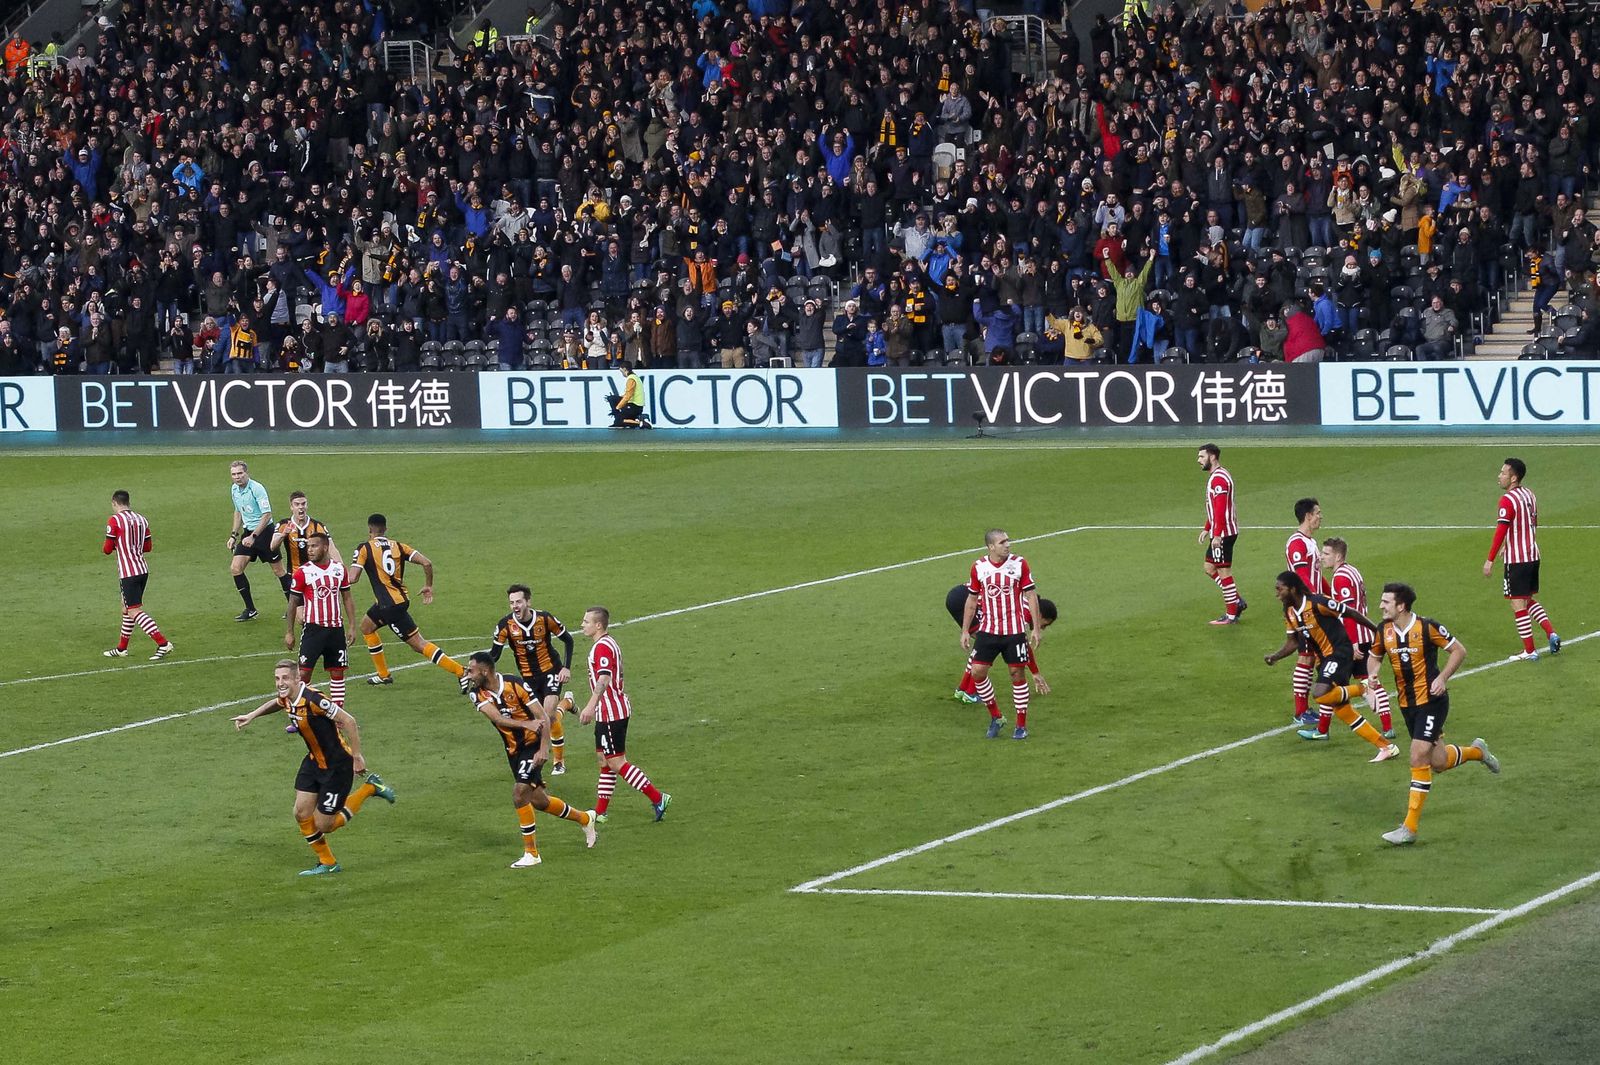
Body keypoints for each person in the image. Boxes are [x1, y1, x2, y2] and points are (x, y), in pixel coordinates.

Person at [231, 660, 397, 876]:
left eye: (285, 678)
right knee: (301, 813)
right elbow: (278, 702)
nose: (280, 683)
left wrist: (357, 756)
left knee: (325, 824)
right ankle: (328, 862)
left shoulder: (314, 700)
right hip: (313, 762)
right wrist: (252, 715)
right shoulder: (287, 698)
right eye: (277, 678)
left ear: (297, 678)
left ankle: (370, 789)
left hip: (337, 766)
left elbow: (349, 721)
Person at [1366, 583, 1499, 845]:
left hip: (1432, 701)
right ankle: (1477, 751)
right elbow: (1374, 656)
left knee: (1417, 755)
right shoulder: (1384, 631)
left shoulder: (1427, 627)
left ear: (1401, 606)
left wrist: (1443, 677)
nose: (1380, 605)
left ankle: (1409, 828)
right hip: (1407, 704)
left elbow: (1459, 650)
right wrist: (1372, 673)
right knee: (1438, 762)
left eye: (1386, 602)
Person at [461, 652, 598, 867]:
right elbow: (497, 718)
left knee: (519, 794)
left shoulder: (516, 685)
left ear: (485, 671)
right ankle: (585, 818)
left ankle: (532, 854)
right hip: (513, 750)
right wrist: (526, 724)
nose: (468, 674)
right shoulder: (476, 694)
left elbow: (543, 716)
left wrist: (544, 749)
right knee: (539, 801)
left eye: (471, 670)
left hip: (533, 744)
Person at [1264, 571, 1398, 762]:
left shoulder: (1318, 602)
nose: (1277, 593)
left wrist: (1378, 631)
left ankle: (1364, 688)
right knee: (1343, 711)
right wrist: (1275, 656)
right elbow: (1293, 642)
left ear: (1292, 588)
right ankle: (1386, 746)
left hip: (1339, 653)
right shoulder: (1290, 612)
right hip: (1324, 660)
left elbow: (1351, 613)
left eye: (1280, 589)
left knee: (1320, 694)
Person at [577, 606, 670, 822]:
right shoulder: (607, 643)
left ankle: (658, 798)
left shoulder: (602, 647)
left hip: (612, 713)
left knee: (617, 762)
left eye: (586, 621)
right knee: (604, 760)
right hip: (607, 712)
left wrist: (590, 706)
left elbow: (604, 678)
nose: (582, 625)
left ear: (598, 625)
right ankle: (600, 812)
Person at [352, 514, 465, 685]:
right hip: (396, 601)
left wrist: (332, 577)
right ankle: (383, 675)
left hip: (389, 607)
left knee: (418, 644)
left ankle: (461, 672)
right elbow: (427, 563)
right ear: (385, 529)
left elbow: (353, 578)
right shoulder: (398, 546)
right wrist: (428, 585)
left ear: (369, 529)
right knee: (366, 626)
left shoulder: (364, 548)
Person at [1305, 538, 1395, 741]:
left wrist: (1352, 642)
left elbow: (1348, 612)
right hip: (1364, 636)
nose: (1321, 556)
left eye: (1326, 553)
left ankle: (1322, 730)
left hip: (1354, 640)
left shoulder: (1341, 577)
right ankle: (1387, 726)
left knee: (1330, 683)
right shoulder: (1352, 571)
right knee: (1365, 681)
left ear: (1337, 556)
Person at [960, 529, 1045, 740]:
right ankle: (996, 716)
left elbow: (1031, 595)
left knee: (1017, 674)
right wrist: (964, 630)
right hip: (988, 631)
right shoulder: (979, 567)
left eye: (1008, 541)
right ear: (991, 547)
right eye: (1002, 542)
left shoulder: (1019, 564)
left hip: (1014, 631)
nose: (1008, 545)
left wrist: (1035, 627)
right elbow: (972, 600)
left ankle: (1021, 725)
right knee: (978, 672)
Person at [490, 584, 576, 776]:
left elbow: (568, 640)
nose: (515, 606)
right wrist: (477, 669)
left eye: (518, 601)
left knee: (546, 715)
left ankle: (558, 761)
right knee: (543, 720)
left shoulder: (545, 619)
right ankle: (567, 704)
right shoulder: (505, 625)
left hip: (551, 672)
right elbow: (494, 656)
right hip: (527, 679)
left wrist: (566, 667)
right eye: (512, 602)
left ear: (528, 601)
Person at [1482, 457, 1560, 661]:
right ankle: (1551, 633)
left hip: (1517, 560)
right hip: (1533, 555)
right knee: (1527, 599)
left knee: (1518, 604)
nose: (1499, 476)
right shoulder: (1529, 494)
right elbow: (1531, 524)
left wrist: (1489, 560)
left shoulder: (1507, 500)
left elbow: (1501, 530)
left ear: (1513, 477)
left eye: (1503, 473)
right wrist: (1510, 544)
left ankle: (1529, 650)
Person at [285, 531, 358, 715]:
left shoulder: (340, 570)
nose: (309, 550)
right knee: (303, 674)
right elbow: (293, 603)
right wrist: (290, 632)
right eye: (308, 547)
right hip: (313, 630)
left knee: (337, 673)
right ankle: (300, 713)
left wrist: (351, 626)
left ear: (325, 547)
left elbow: (347, 598)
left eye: (314, 546)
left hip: (335, 630)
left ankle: (338, 714)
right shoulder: (303, 572)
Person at [945, 585, 1055, 703]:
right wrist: (1035, 673)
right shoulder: (1026, 613)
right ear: (1041, 615)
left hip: (959, 594)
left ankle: (962, 689)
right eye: (1045, 624)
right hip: (965, 598)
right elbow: (1023, 646)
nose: (1042, 628)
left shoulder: (1025, 601)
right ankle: (970, 693)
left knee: (983, 645)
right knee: (986, 645)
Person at [101, 490, 174, 661]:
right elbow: (148, 547)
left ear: (114, 503)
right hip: (142, 570)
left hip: (128, 573)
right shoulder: (142, 519)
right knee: (126, 608)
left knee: (134, 610)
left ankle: (163, 643)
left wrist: (119, 545)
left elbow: (106, 549)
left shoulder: (115, 520)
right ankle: (121, 648)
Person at [227, 460, 288, 622]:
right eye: (234, 474)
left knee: (278, 571)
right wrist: (234, 534)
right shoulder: (234, 489)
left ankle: (294, 606)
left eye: (240, 473)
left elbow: (266, 514)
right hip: (248, 534)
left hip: (265, 533)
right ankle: (251, 609)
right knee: (235, 568)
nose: (237, 477)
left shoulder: (257, 489)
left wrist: (253, 536)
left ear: (247, 473)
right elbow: (238, 512)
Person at [1284, 498, 1325, 725]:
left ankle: (1317, 703)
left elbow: (1317, 577)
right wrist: (1316, 601)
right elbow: (1302, 578)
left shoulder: (1310, 542)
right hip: (1303, 608)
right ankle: (1301, 712)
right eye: (1318, 512)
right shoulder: (1297, 543)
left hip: (1312, 606)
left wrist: (1331, 597)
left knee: (1311, 655)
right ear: (1308, 515)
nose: (1321, 516)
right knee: (1307, 656)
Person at [1197, 444, 1245, 625]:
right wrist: (1207, 528)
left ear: (1212, 457)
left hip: (1223, 535)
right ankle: (1236, 600)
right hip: (1220, 532)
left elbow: (1221, 509)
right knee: (1209, 568)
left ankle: (1231, 614)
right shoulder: (1218, 476)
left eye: (1202, 457)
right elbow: (1215, 510)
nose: (1199, 460)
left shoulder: (1219, 479)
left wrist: (1216, 534)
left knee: (1224, 572)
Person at [269, 490, 336, 574]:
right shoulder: (283, 525)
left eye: (303, 504)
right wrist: (284, 534)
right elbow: (272, 546)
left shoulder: (317, 526)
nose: (301, 507)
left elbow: (331, 548)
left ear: (307, 505)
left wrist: (342, 569)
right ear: (291, 507)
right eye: (297, 504)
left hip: (315, 574)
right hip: (294, 574)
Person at [609, 362, 652, 429]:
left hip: (635, 406)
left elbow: (628, 396)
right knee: (612, 398)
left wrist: (617, 408)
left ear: (625, 369)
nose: (622, 374)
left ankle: (640, 423)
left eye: (621, 371)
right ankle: (623, 419)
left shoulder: (631, 379)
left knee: (619, 421)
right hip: (635, 405)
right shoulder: (634, 377)